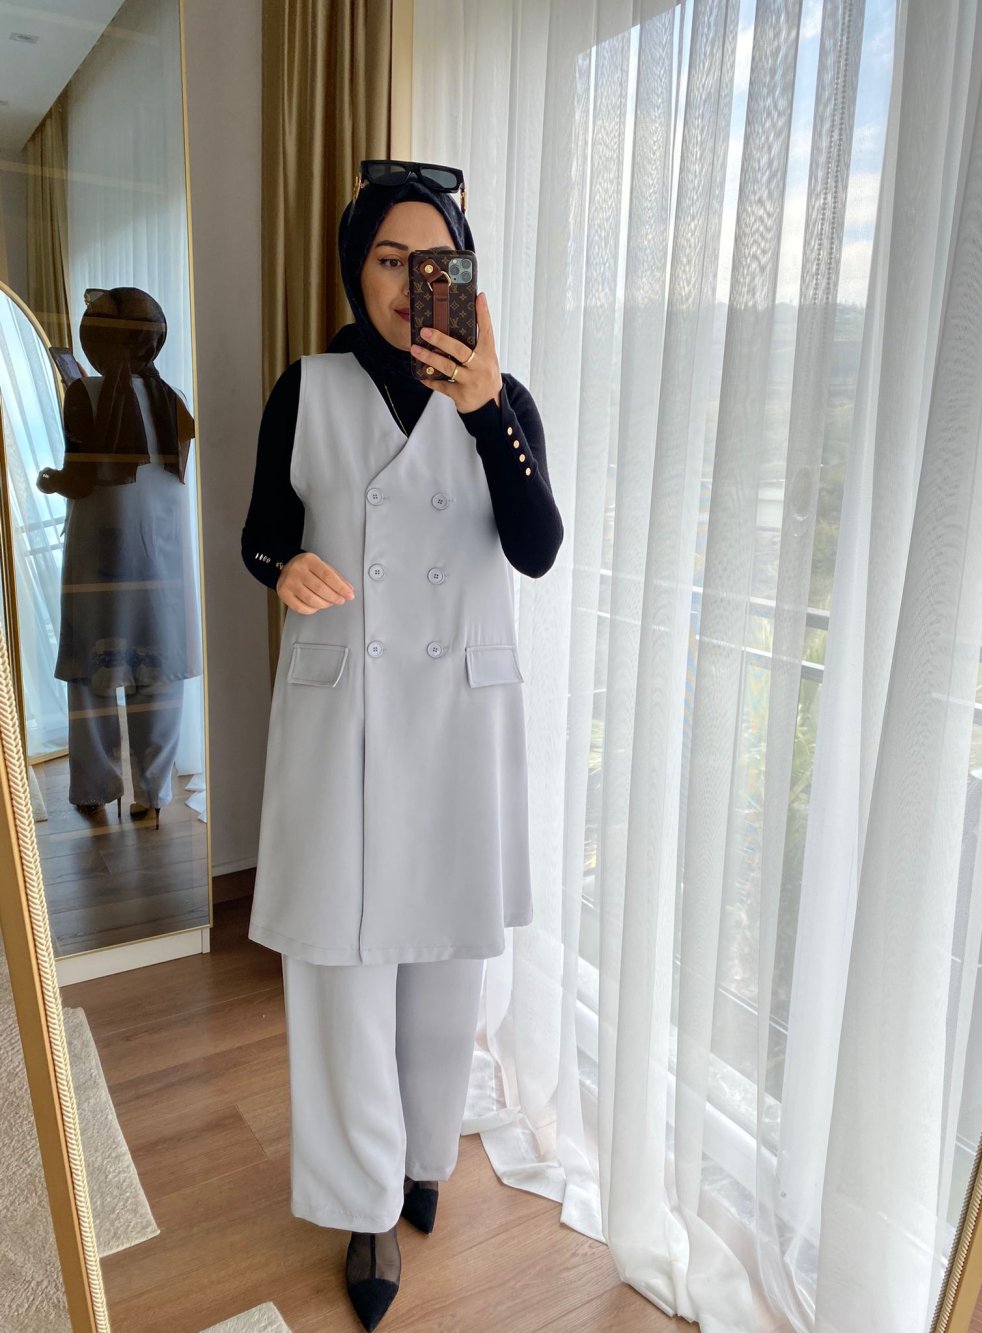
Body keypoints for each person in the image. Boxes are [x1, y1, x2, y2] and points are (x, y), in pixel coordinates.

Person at [241, 160, 563, 1330]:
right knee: (340, 970)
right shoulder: (308, 387)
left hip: (459, 714)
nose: (408, 282)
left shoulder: (502, 398)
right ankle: (364, 1203)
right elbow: (261, 533)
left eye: (435, 262)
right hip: (346, 712)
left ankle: (425, 1157)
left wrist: (484, 409)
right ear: (356, 267)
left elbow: (535, 545)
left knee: (443, 967)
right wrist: (286, 568)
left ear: (462, 276)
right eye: (389, 258)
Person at [37, 287, 200, 829]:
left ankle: (95, 787)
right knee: (160, 675)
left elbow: (81, 479)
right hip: (164, 559)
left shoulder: (83, 394)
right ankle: (153, 794)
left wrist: (48, 481)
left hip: (99, 557)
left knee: (91, 675)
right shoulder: (174, 397)